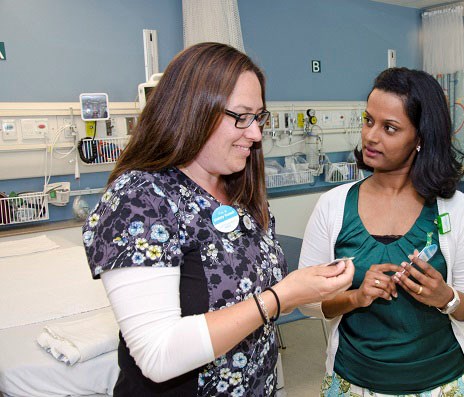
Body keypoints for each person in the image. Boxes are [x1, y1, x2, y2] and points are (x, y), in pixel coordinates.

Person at [82, 42, 354, 397]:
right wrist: (279, 296)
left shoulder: (239, 190)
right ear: (192, 112)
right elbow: (157, 355)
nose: (256, 134)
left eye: (259, 117)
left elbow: (251, 295)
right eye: (241, 117)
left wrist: (302, 289)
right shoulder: (140, 199)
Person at [299, 67, 464, 396]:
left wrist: (446, 298)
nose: (371, 136)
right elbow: (307, 302)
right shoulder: (333, 206)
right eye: (368, 120)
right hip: (353, 382)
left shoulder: (456, 209)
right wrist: (355, 298)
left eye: (390, 128)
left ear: (420, 138)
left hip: (441, 383)